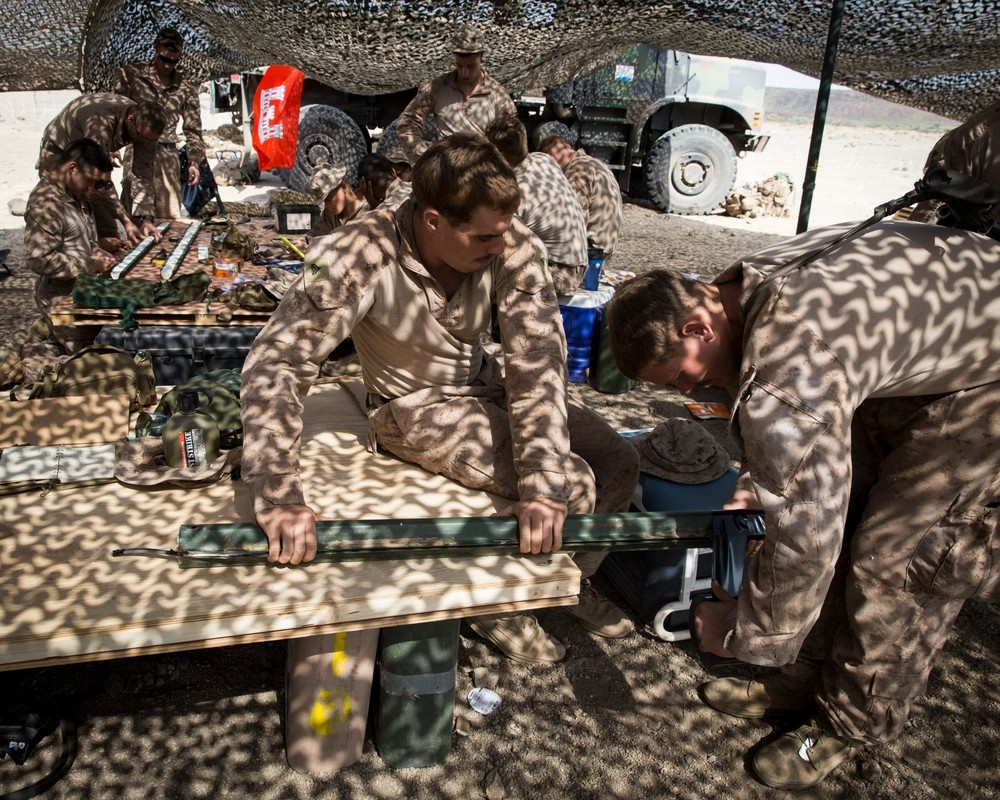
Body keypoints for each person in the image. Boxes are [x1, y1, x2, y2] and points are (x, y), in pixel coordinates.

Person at [603, 220, 1000, 789]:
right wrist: (760, 477)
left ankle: (849, 722)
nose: (687, 394)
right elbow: (803, 459)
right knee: (855, 511)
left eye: (682, 378)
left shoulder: (790, 361)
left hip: (982, 380)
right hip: (926, 356)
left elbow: (804, 533)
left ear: (698, 326)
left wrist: (746, 634)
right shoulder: (738, 291)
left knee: (899, 557)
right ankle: (802, 675)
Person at [240, 134, 639, 664]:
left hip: (483, 379)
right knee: (575, 484)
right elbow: (278, 363)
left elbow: (537, 362)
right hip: (412, 406)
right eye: (483, 237)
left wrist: (541, 480)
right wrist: (279, 493)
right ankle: (501, 602)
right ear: (432, 221)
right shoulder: (357, 252)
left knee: (616, 461)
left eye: (502, 232)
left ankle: (566, 574)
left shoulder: (507, 239)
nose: (500, 245)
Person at [24, 138, 129, 352]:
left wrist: (101, 245)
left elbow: (73, 240)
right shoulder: (46, 203)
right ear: (72, 168)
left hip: (87, 291)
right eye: (93, 182)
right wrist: (91, 264)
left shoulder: (76, 192)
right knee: (91, 361)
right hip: (62, 298)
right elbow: (40, 259)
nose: (96, 189)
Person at [36, 93, 166, 245]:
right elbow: (101, 181)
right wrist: (126, 221)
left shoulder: (145, 130)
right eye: (141, 137)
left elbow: (143, 172)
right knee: (74, 219)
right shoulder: (100, 122)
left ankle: (102, 257)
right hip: (59, 152)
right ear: (130, 119)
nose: (144, 143)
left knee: (108, 231)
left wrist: (146, 218)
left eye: (150, 140)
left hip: (88, 152)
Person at [486, 114, 589, 294]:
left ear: (497, 154)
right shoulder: (544, 159)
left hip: (559, 274)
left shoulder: (516, 191)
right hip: (580, 265)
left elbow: (498, 240)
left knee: (489, 259)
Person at [113, 26, 207, 221]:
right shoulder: (131, 75)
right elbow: (115, 111)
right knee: (135, 211)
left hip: (166, 154)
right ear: (155, 49)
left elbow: (193, 130)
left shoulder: (185, 88)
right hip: (135, 148)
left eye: (173, 61)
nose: (168, 65)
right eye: (164, 59)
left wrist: (194, 162)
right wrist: (112, 147)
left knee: (168, 217)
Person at [395, 26, 517, 165]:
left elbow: (511, 137)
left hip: (481, 173)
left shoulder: (497, 94)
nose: (464, 73)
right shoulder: (437, 88)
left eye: (471, 66)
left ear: (481, 56)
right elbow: (407, 122)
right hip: (446, 172)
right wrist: (424, 157)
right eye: (460, 66)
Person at [539, 134, 623, 261]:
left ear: (550, 159)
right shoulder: (594, 163)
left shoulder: (578, 171)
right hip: (604, 248)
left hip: (591, 252)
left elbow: (574, 222)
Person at [307, 162, 369, 239]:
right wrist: (304, 242)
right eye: (324, 201)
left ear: (344, 187)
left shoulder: (368, 213)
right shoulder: (330, 214)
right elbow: (315, 233)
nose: (327, 205)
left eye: (329, 199)